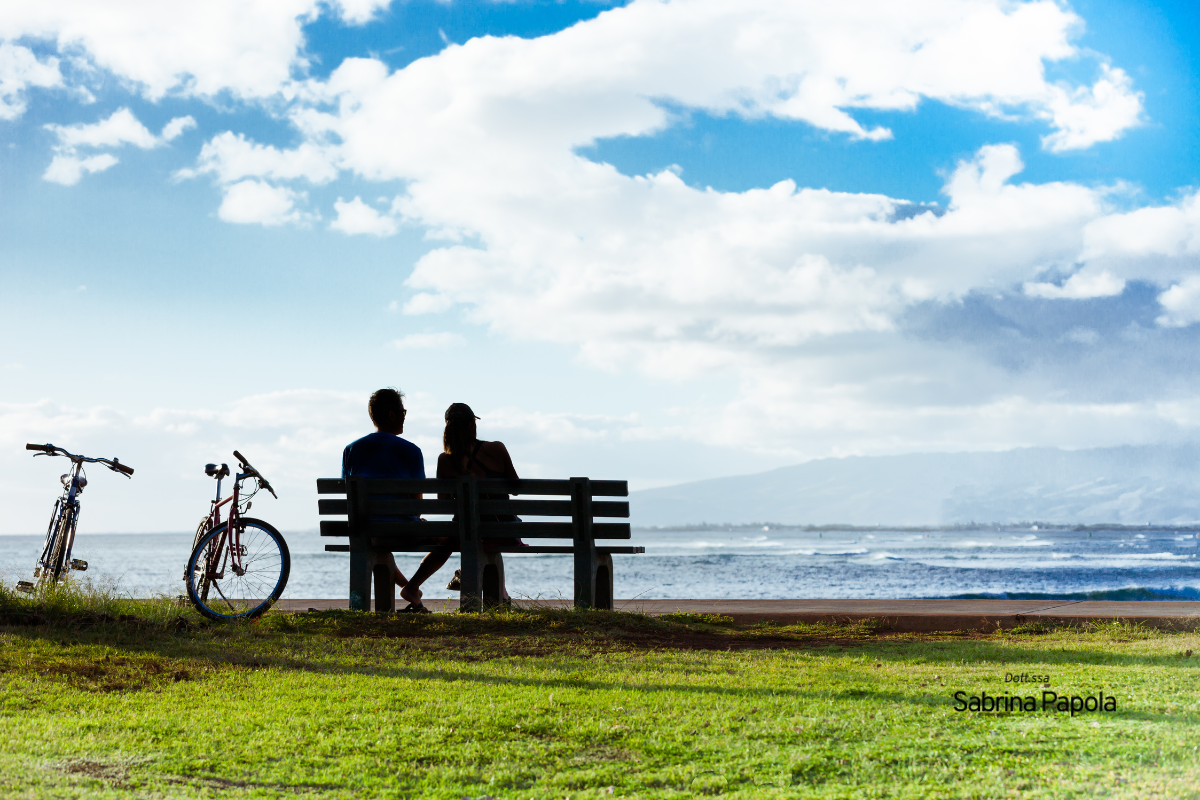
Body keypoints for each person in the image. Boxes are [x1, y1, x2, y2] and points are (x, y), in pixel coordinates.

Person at [341, 387, 440, 613]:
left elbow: (350, 498)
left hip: (365, 530)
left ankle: (409, 589)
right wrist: (413, 520)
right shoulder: (412, 451)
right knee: (451, 537)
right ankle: (412, 586)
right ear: (392, 415)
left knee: (378, 543)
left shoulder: (351, 450)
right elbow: (417, 506)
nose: (405, 416)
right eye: (403, 411)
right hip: (400, 530)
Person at [437, 402, 524, 601]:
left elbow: (443, 503)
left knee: (472, 532)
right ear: (471, 425)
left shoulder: (444, 460)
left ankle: (470, 575)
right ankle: (501, 597)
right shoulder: (497, 448)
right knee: (489, 534)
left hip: (463, 533)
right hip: (504, 531)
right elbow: (516, 488)